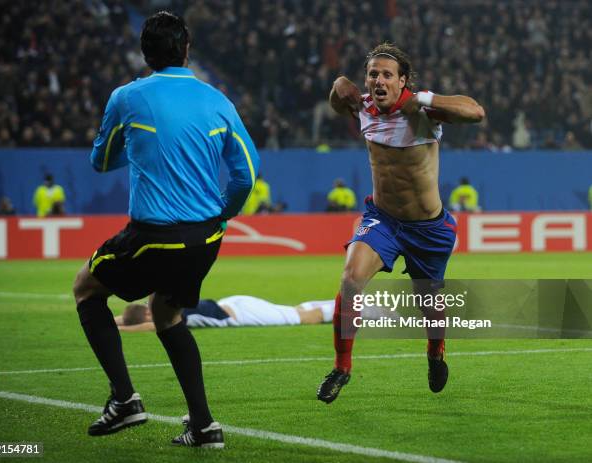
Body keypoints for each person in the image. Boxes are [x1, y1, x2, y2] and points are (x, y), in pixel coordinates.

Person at [72, 12, 259, 447]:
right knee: (167, 314)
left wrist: (136, 148)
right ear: (187, 50)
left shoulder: (127, 97)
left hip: (154, 236)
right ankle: (204, 424)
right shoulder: (218, 101)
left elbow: (99, 163)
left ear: (144, 53)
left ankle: (124, 400)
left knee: (86, 289)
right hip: (206, 237)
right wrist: (223, 214)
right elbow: (246, 175)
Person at [317, 42, 484, 403]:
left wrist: (423, 98)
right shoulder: (363, 107)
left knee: (429, 301)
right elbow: (338, 99)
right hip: (383, 220)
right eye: (372, 74)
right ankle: (342, 367)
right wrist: (339, 83)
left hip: (429, 228)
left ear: (402, 81)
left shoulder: (422, 113)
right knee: (350, 280)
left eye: (386, 74)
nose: (378, 80)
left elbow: (475, 112)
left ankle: (435, 350)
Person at [115, 296, 335, 331]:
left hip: (240, 313)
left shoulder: (162, 315)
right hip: (233, 303)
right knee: (296, 311)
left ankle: (365, 308)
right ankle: (349, 298)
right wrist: (112, 323)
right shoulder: (153, 303)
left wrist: (121, 329)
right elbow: (132, 315)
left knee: (305, 318)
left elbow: (154, 326)